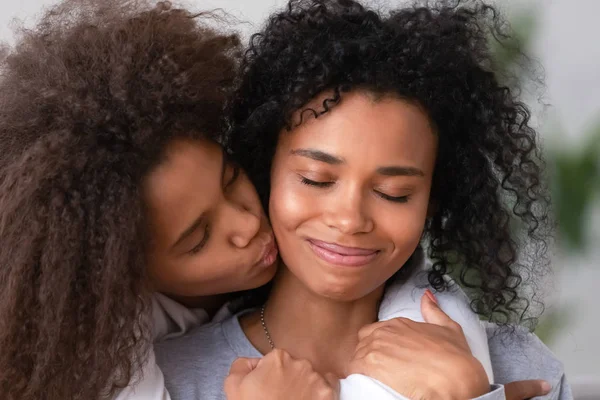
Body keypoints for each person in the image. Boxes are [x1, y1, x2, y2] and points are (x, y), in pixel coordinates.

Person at [155, 0, 571, 399]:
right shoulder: (171, 380)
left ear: (433, 200)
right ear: (265, 171)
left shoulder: (521, 367)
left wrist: (473, 394)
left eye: (394, 193)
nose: (350, 218)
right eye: (316, 180)